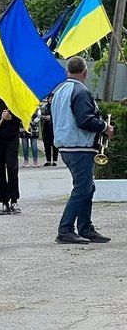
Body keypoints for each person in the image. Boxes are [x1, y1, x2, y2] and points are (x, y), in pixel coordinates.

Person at [53, 57, 113, 244]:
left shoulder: (59, 91)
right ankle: (65, 230)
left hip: (66, 146)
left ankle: (85, 228)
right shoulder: (81, 91)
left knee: (88, 187)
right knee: (83, 188)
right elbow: (85, 120)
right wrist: (105, 126)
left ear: (67, 72)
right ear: (85, 73)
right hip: (80, 146)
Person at [40, 95, 58, 166]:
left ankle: (55, 160)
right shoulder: (44, 107)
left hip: (54, 128)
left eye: (52, 98)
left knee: (55, 144)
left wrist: (52, 118)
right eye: (50, 98)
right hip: (46, 128)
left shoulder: (56, 106)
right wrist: (45, 117)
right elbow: (39, 116)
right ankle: (48, 160)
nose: (51, 99)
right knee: (47, 144)